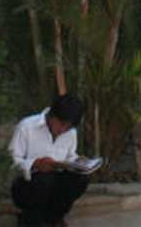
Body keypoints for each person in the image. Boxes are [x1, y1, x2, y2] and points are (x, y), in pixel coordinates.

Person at [8, 93, 90, 226]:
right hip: (27, 185)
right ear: (52, 115)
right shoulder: (26, 126)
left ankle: (53, 219)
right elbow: (10, 162)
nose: (63, 130)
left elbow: (70, 157)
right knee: (44, 180)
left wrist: (78, 162)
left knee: (81, 179)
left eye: (68, 127)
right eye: (61, 124)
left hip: (55, 184)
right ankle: (31, 220)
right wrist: (34, 164)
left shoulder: (71, 133)